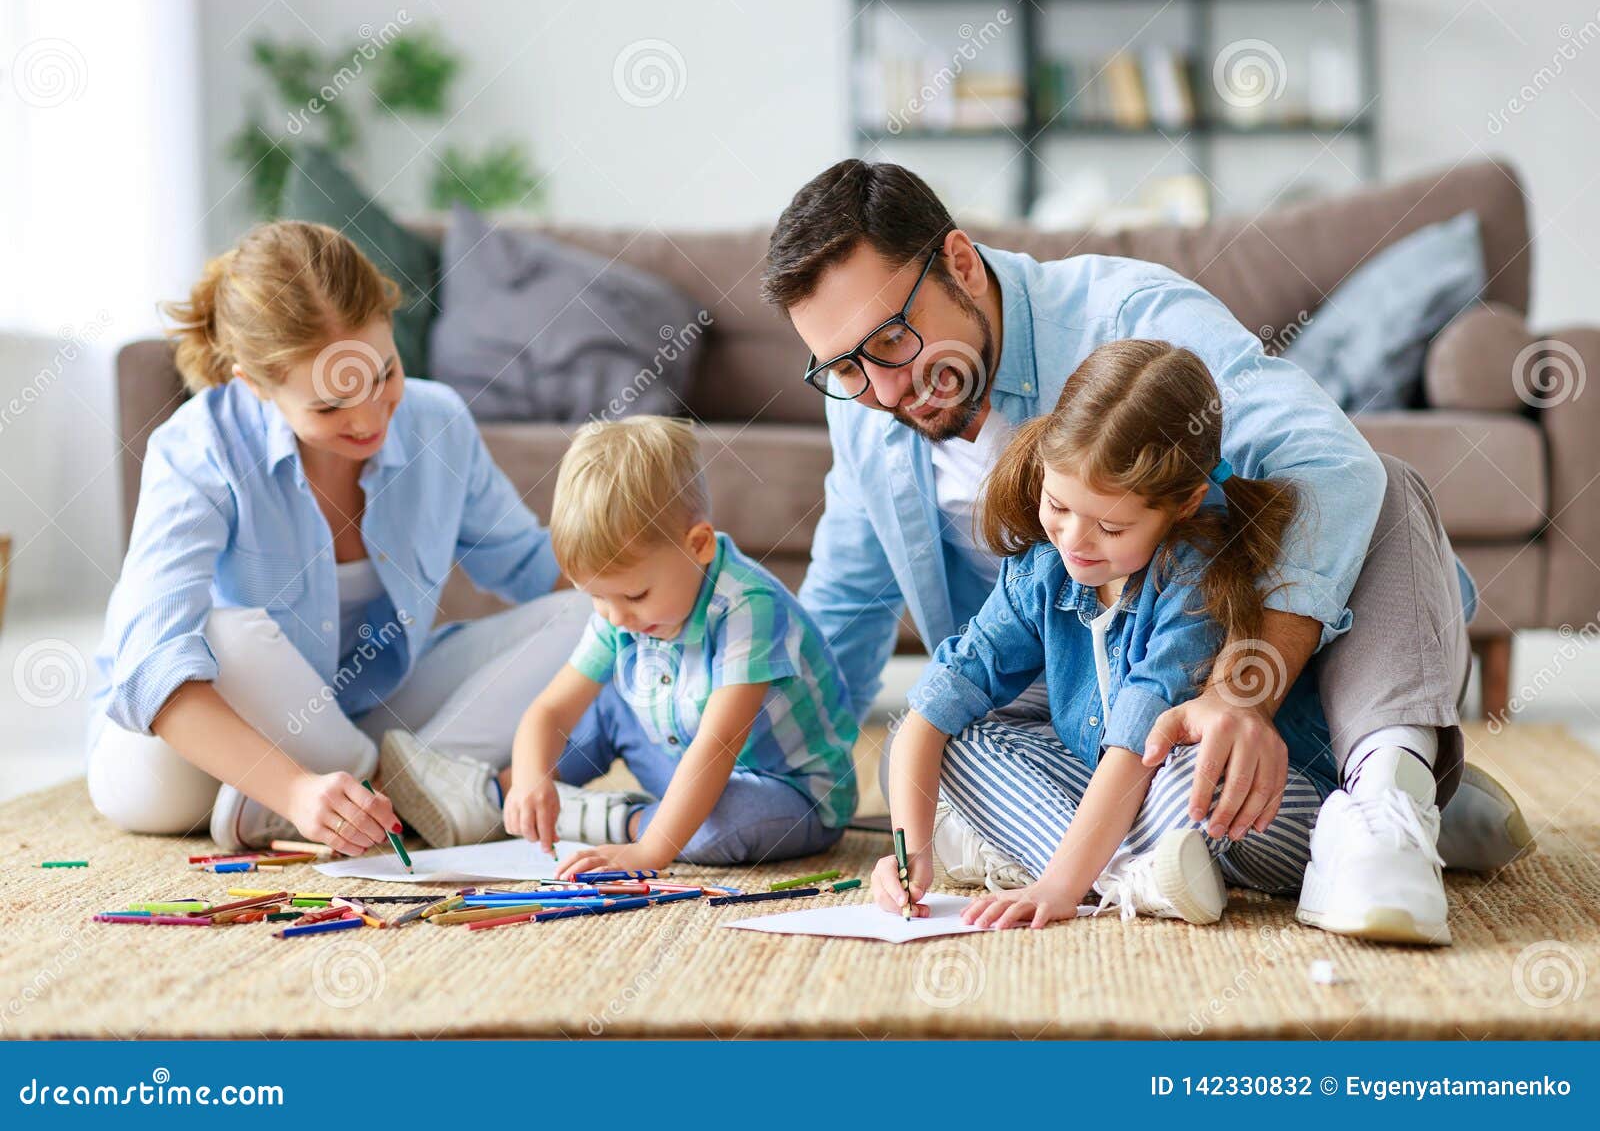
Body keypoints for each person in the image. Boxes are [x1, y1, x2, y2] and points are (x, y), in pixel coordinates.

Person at [765, 159, 1529, 945]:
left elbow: (1328, 463)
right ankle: (1362, 802)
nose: (885, 393)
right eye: (845, 368)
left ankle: (1381, 785)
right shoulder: (867, 413)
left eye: (892, 340)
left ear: (959, 262)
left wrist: (1242, 693)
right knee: (943, 750)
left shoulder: (1126, 315)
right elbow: (848, 608)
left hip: (1207, 666)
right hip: (1060, 704)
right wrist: (759, 776)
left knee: (1385, 481)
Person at [86, 220, 591, 855]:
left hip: (357, 720)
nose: (369, 417)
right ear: (256, 385)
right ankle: (372, 796)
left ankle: (389, 792)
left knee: (587, 614)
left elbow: (531, 564)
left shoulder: (438, 422)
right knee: (223, 632)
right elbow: (151, 667)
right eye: (328, 406)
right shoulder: (200, 447)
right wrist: (295, 790)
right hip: (178, 766)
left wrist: (684, 591)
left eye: (383, 375)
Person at [874, 339, 1334, 930]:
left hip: (1232, 796)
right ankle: (1130, 877)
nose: (1073, 542)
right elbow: (934, 708)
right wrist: (911, 848)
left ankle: (1085, 871)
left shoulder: (1191, 577)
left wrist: (1059, 887)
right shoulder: (1041, 568)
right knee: (959, 747)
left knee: (1189, 782)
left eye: (1111, 527)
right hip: (1114, 790)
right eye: (1057, 505)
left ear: (1185, 504)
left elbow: (1136, 752)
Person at [407, 415, 859, 871]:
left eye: (635, 595)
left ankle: (617, 819)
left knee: (720, 827)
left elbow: (717, 748)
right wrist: (530, 777)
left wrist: (650, 851)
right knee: (604, 706)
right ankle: (501, 797)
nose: (616, 617)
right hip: (681, 763)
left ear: (698, 545)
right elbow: (549, 711)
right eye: (597, 597)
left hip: (786, 794)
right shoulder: (620, 612)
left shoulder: (749, 607)